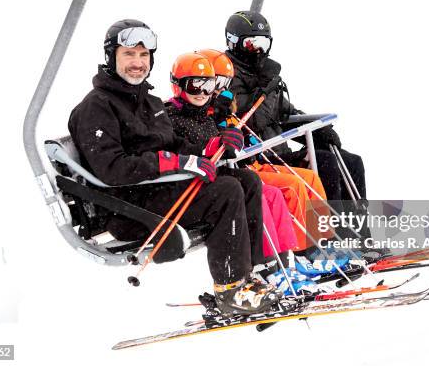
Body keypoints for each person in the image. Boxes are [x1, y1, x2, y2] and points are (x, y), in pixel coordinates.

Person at [68, 19, 280, 315]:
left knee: (245, 180)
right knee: (226, 190)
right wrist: (173, 162)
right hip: (129, 208)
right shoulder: (96, 107)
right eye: (129, 54)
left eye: (144, 56)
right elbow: (112, 169)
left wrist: (210, 147)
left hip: (159, 192)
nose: (137, 63)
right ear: (111, 56)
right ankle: (231, 289)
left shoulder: (148, 101)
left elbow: (173, 145)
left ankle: (254, 275)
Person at [165, 51, 320, 295]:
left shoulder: (207, 111)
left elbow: (231, 139)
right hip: (205, 188)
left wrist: (225, 121)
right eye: (198, 84)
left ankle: (285, 261)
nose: (205, 92)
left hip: (232, 177)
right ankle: (271, 266)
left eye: (213, 85)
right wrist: (218, 127)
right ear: (179, 86)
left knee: (275, 193)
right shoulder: (174, 115)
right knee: (266, 192)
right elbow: (185, 148)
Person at [223, 11, 368, 224]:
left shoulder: (262, 74)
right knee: (325, 162)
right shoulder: (228, 77)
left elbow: (285, 113)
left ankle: (361, 237)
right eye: (252, 43)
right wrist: (265, 85)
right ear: (234, 43)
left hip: (279, 151)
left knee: (351, 161)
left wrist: (318, 131)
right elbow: (254, 118)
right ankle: (333, 238)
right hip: (256, 158)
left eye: (264, 43)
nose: (259, 50)